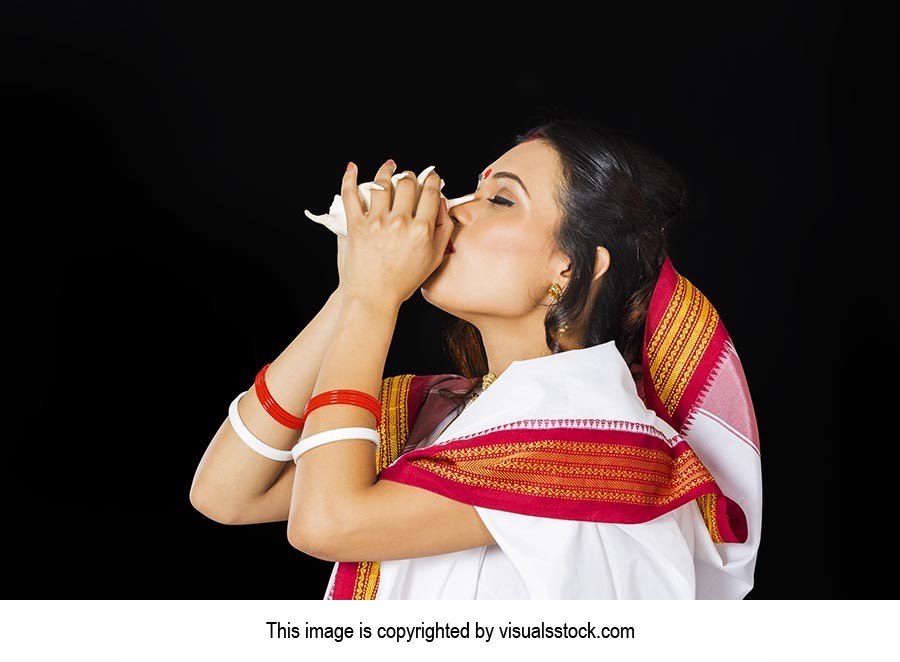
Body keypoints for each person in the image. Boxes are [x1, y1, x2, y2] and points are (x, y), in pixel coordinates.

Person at [189, 119, 761, 599]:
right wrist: (354, 289)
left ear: (570, 270)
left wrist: (373, 294)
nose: (456, 210)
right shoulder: (447, 413)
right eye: (474, 190)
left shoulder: (598, 440)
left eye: (500, 200)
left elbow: (327, 522)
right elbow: (227, 493)